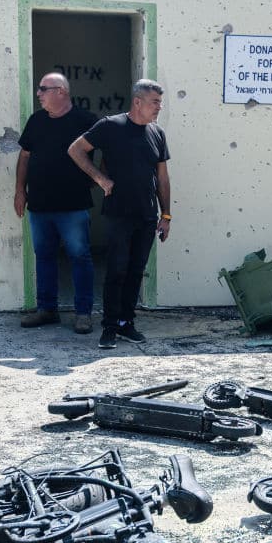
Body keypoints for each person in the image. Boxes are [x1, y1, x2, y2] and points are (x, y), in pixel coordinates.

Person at [68, 79, 171, 349]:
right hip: (118, 213)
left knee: (136, 271)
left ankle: (127, 323)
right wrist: (100, 179)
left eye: (160, 102)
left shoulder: (157, 133)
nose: (159, 107)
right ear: (138, 102)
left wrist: (166, 215)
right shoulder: (110, 126)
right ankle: (110, 326)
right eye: (155, 102)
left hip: (147, 215)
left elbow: (162, 177)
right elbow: (75, 150)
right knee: (116, 271)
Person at [16, 72, 98, 334]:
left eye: (43, 89)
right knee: (44, 256)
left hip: (73, 206)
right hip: (39, 205)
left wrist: (100, 178)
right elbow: (25, 156)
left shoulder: (86, 121)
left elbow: (110, 149)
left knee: (80, 256)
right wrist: (20, 190)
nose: (38, 94)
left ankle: (83, 313)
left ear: (61, 91)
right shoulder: (37, 121)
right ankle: (47, 310)